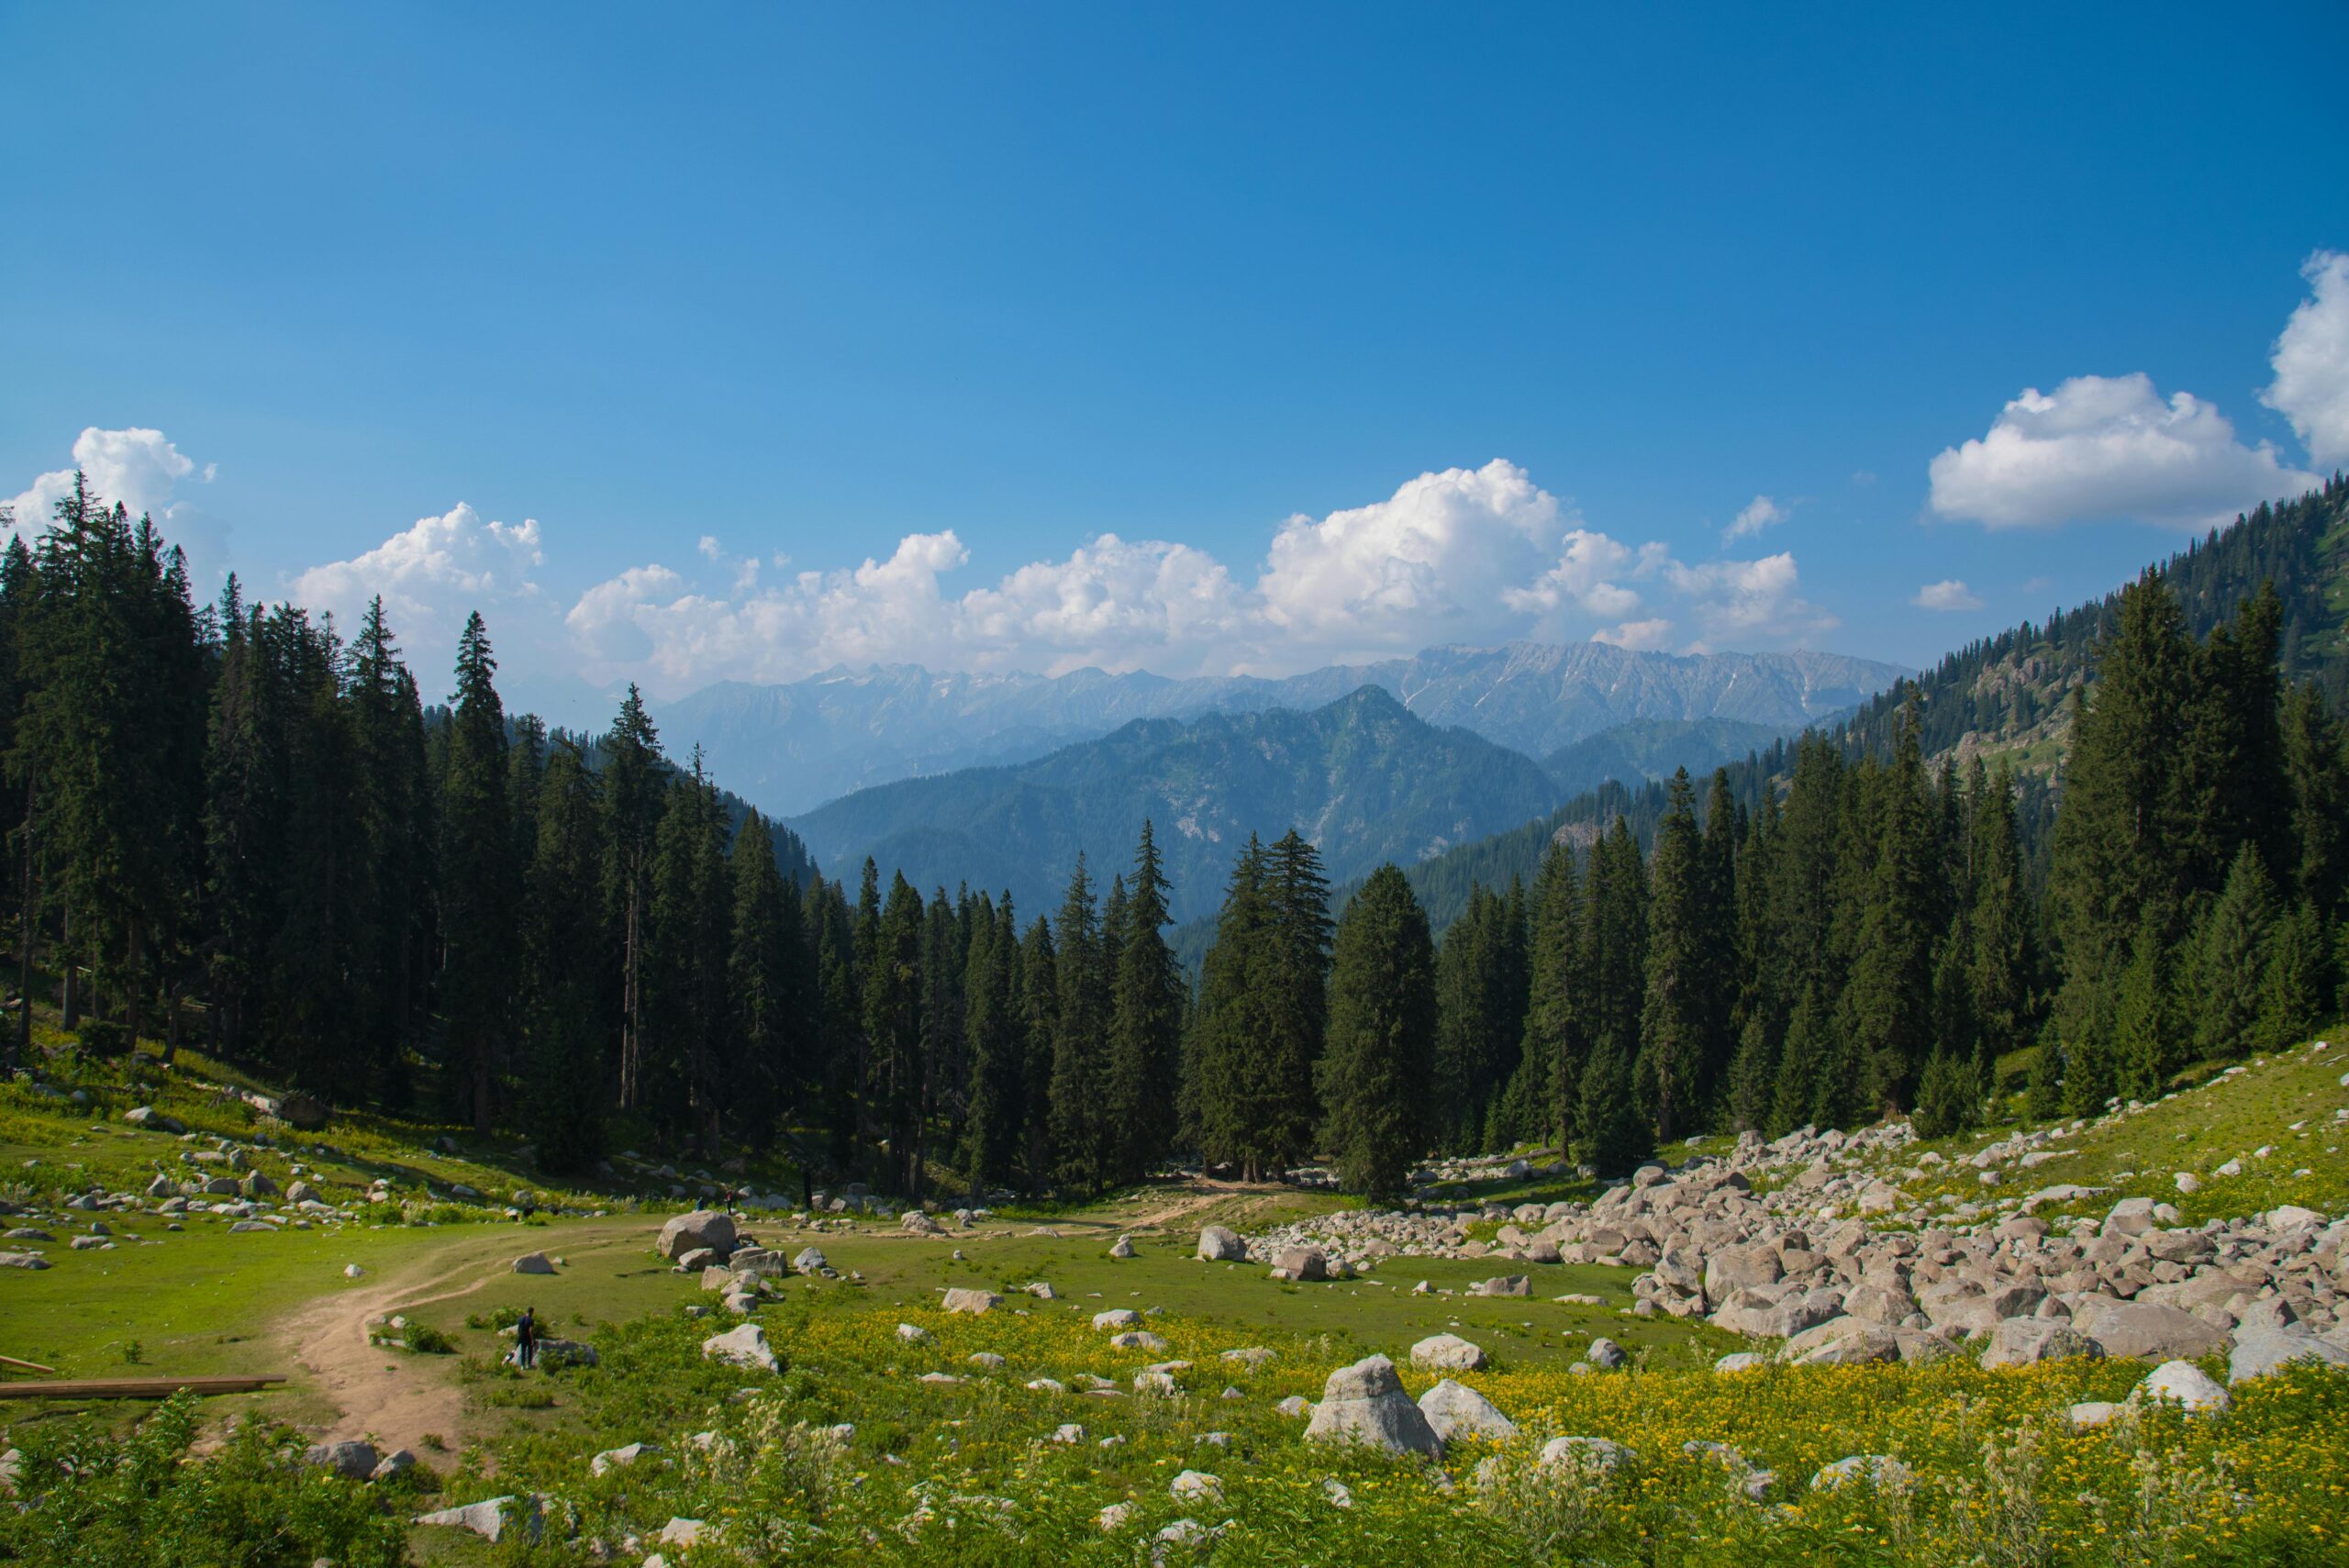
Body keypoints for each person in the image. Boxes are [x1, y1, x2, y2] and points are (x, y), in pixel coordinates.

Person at [516, 1306, 537, 1370]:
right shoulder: (531, 1320)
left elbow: (518, 1328)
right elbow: (530, 1331)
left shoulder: (520, 1318)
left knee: (523, 1350)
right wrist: (532, 1339)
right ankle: (528, 1364)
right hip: (528, 1336)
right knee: (530, 1351)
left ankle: (522, 1365)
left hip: (521, 1336)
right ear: (531, 1312)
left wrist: (519, 1336)